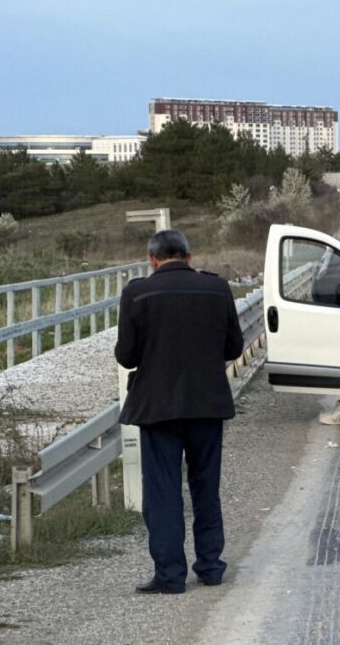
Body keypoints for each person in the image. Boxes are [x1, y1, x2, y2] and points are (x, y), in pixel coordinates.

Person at [115, 230, 243, 595]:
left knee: (163, 492)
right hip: (207, 404)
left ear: (152, 260)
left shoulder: (137, 293)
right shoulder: (217, 289)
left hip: (158, 409)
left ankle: (170, 576)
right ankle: (211, 567)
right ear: (189, 256)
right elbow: (233, 346)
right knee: (206, 487)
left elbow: (126, 355)